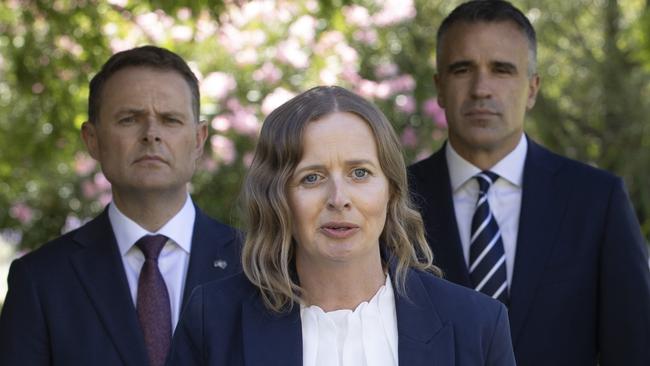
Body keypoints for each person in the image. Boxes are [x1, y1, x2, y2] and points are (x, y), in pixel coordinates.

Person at [167, 85, 516, 366]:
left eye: (360, 173)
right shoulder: (213, 320)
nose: (339, 198)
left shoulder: (477, 325)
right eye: (312, 177)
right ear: (278, 197)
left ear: (391, 189)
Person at [408, 1, 650, 365]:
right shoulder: (396, 197)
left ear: (532, 88)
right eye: (462, 69)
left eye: (502, 70)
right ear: (440, 87)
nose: (481, 88)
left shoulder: (597, 201)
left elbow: (634, 348)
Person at [0, 46, 241, 366]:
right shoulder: (39, 281)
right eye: (129, 119)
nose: (151, 134)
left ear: (198, 140)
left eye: (170, 120)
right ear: (92, 139)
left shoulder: (257, 266)